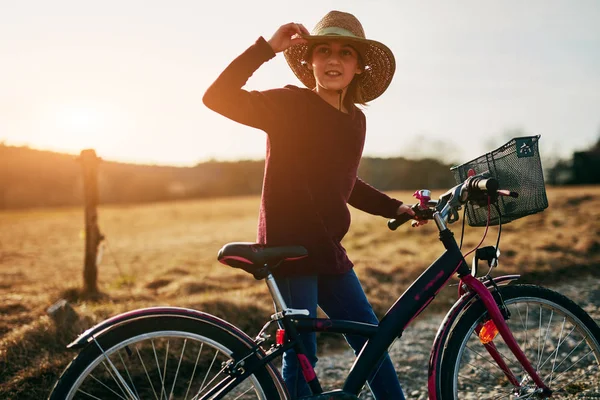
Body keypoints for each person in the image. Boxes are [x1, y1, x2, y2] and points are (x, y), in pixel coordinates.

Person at [203, 10, 418, 399]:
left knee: (373, 340)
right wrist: (266, 49)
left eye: (345, 53)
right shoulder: (290, 105)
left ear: (358, 67)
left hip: (327, 247)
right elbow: (216, 97)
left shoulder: (355, 121)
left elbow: (346, 182)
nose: (334, 60)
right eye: (324, 50)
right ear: (311, 60)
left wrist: (394, 208)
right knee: (303, 355)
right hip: (292, 248)